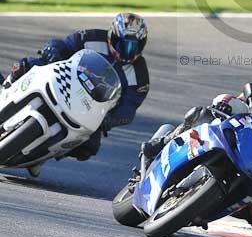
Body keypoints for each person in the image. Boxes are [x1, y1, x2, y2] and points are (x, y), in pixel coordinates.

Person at [142, 77, 252, 232]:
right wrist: (224, 104)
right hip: (242, 138)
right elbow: (239, 101)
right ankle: (164, 141)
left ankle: (227, 206)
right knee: (202, 114)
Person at [3, 12, 149, 162]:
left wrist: (110, 120)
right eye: (122, 43)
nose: (127, 51)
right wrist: (52, 50)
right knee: (27, 64)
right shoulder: (92, 37)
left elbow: (129, 108)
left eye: (134, 47)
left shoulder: (140, 77)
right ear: (113, 36)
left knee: (88, 148)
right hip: (64, 80)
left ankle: (43, 155)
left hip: (91, 108)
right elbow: (63, 44)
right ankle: (5, 87)